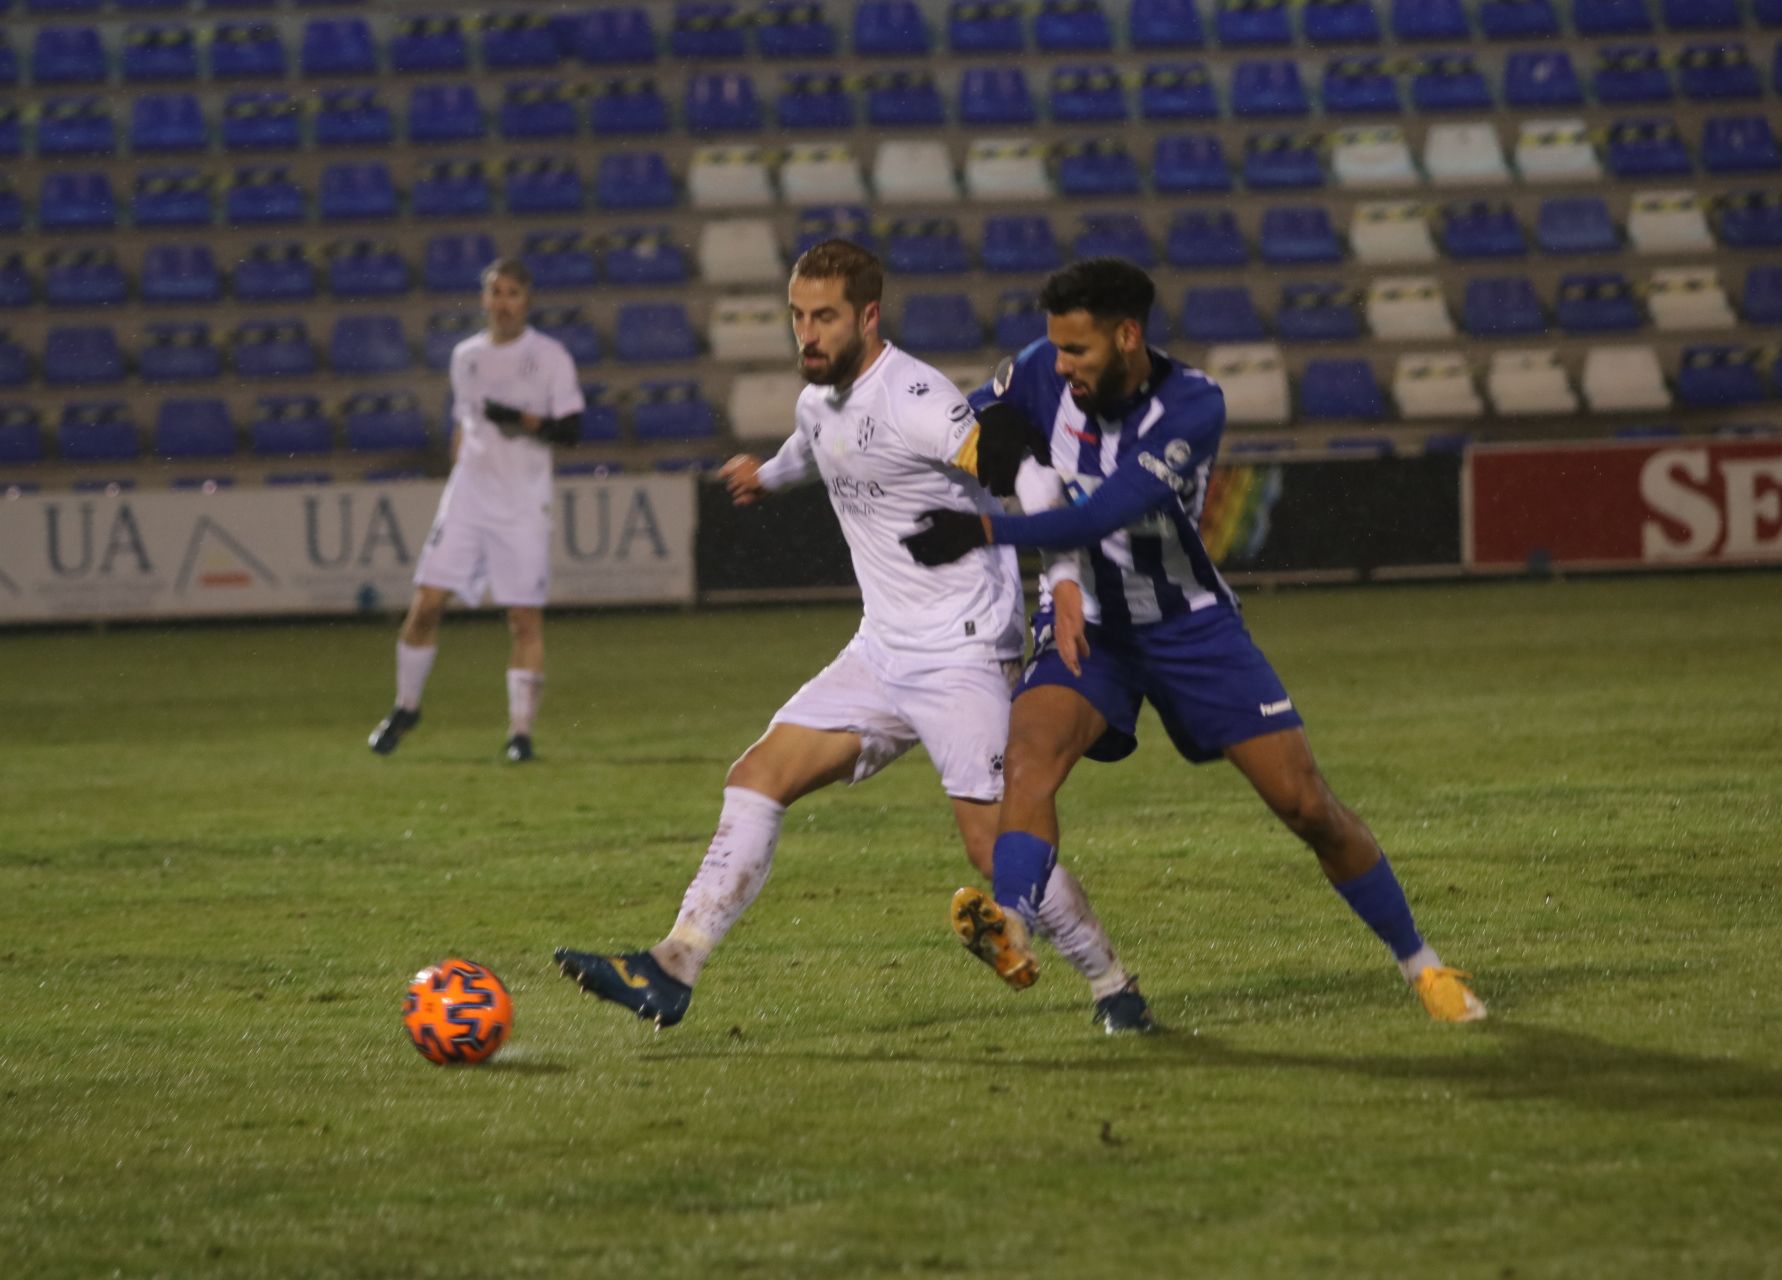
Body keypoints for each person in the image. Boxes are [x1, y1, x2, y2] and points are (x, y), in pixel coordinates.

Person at [554, 240, 1152, 1033]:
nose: (807, 333)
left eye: (825, 317)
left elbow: (1026, 477)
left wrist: (1065, 580)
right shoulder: (818, 396)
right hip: (880, 651)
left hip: (963, 653)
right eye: (798, 316)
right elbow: (817, 446)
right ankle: (673, 966)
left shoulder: (915, 396)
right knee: (757, 775)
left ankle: (1114, 985)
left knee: (994, 848)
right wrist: (765, 477)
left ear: (868, 317)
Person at [902, 257, 1487, 1023]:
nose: (1062, 365)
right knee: (1029, 759)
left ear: (1127, 335)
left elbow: (1100, 515)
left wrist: (985, 528)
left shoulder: (1191, 407)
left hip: (1190, 626)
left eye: (1078, 350)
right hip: (1092, 627)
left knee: (1305, 805)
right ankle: (1010, 919)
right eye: (1056, 349)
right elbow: (965, 425)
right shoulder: (1044, 369)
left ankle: (1423, 966)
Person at [367, 257, 585, 764]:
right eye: (496, 292)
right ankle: (406, 706)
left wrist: (523, 420)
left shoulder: (549, 357)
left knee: (522, 620)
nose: (504, 302)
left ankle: (520, 733)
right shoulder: (466, 356)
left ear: (526, 301)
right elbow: (463, 422)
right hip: (467, 499)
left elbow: (571, 430)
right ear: (485, 300)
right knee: (425, 605)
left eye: (513, 293)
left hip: (523, 505)